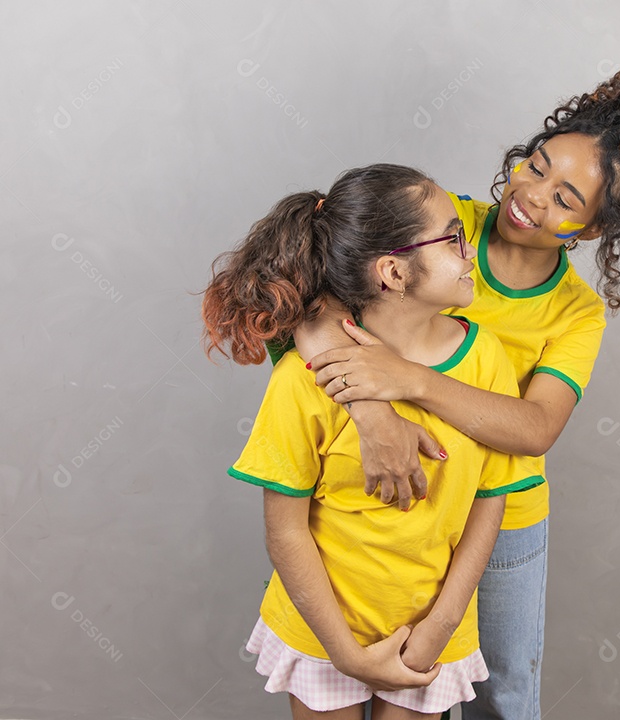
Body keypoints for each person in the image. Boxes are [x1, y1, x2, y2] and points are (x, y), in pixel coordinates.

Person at [295, 66, 620, 719]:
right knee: (369, 678)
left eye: (565, 200)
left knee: (498, 696)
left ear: (590, 231)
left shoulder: (576, 314)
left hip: (501, 521)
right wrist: (372, 411)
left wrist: (412, 380)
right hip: (389, 494)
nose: (530, 195)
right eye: (536, 165)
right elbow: (307, 306)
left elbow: (534, 429)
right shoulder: (437, 221)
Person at [201, 164, 542, 719]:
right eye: (455, 239)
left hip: (430, 633)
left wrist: (442, 624)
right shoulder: (301, 381)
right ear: (393, 271)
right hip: (323, 633)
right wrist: (344, 652)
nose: (470, 253)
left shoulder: (485, 361)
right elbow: (285, 530)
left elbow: (490, 501)